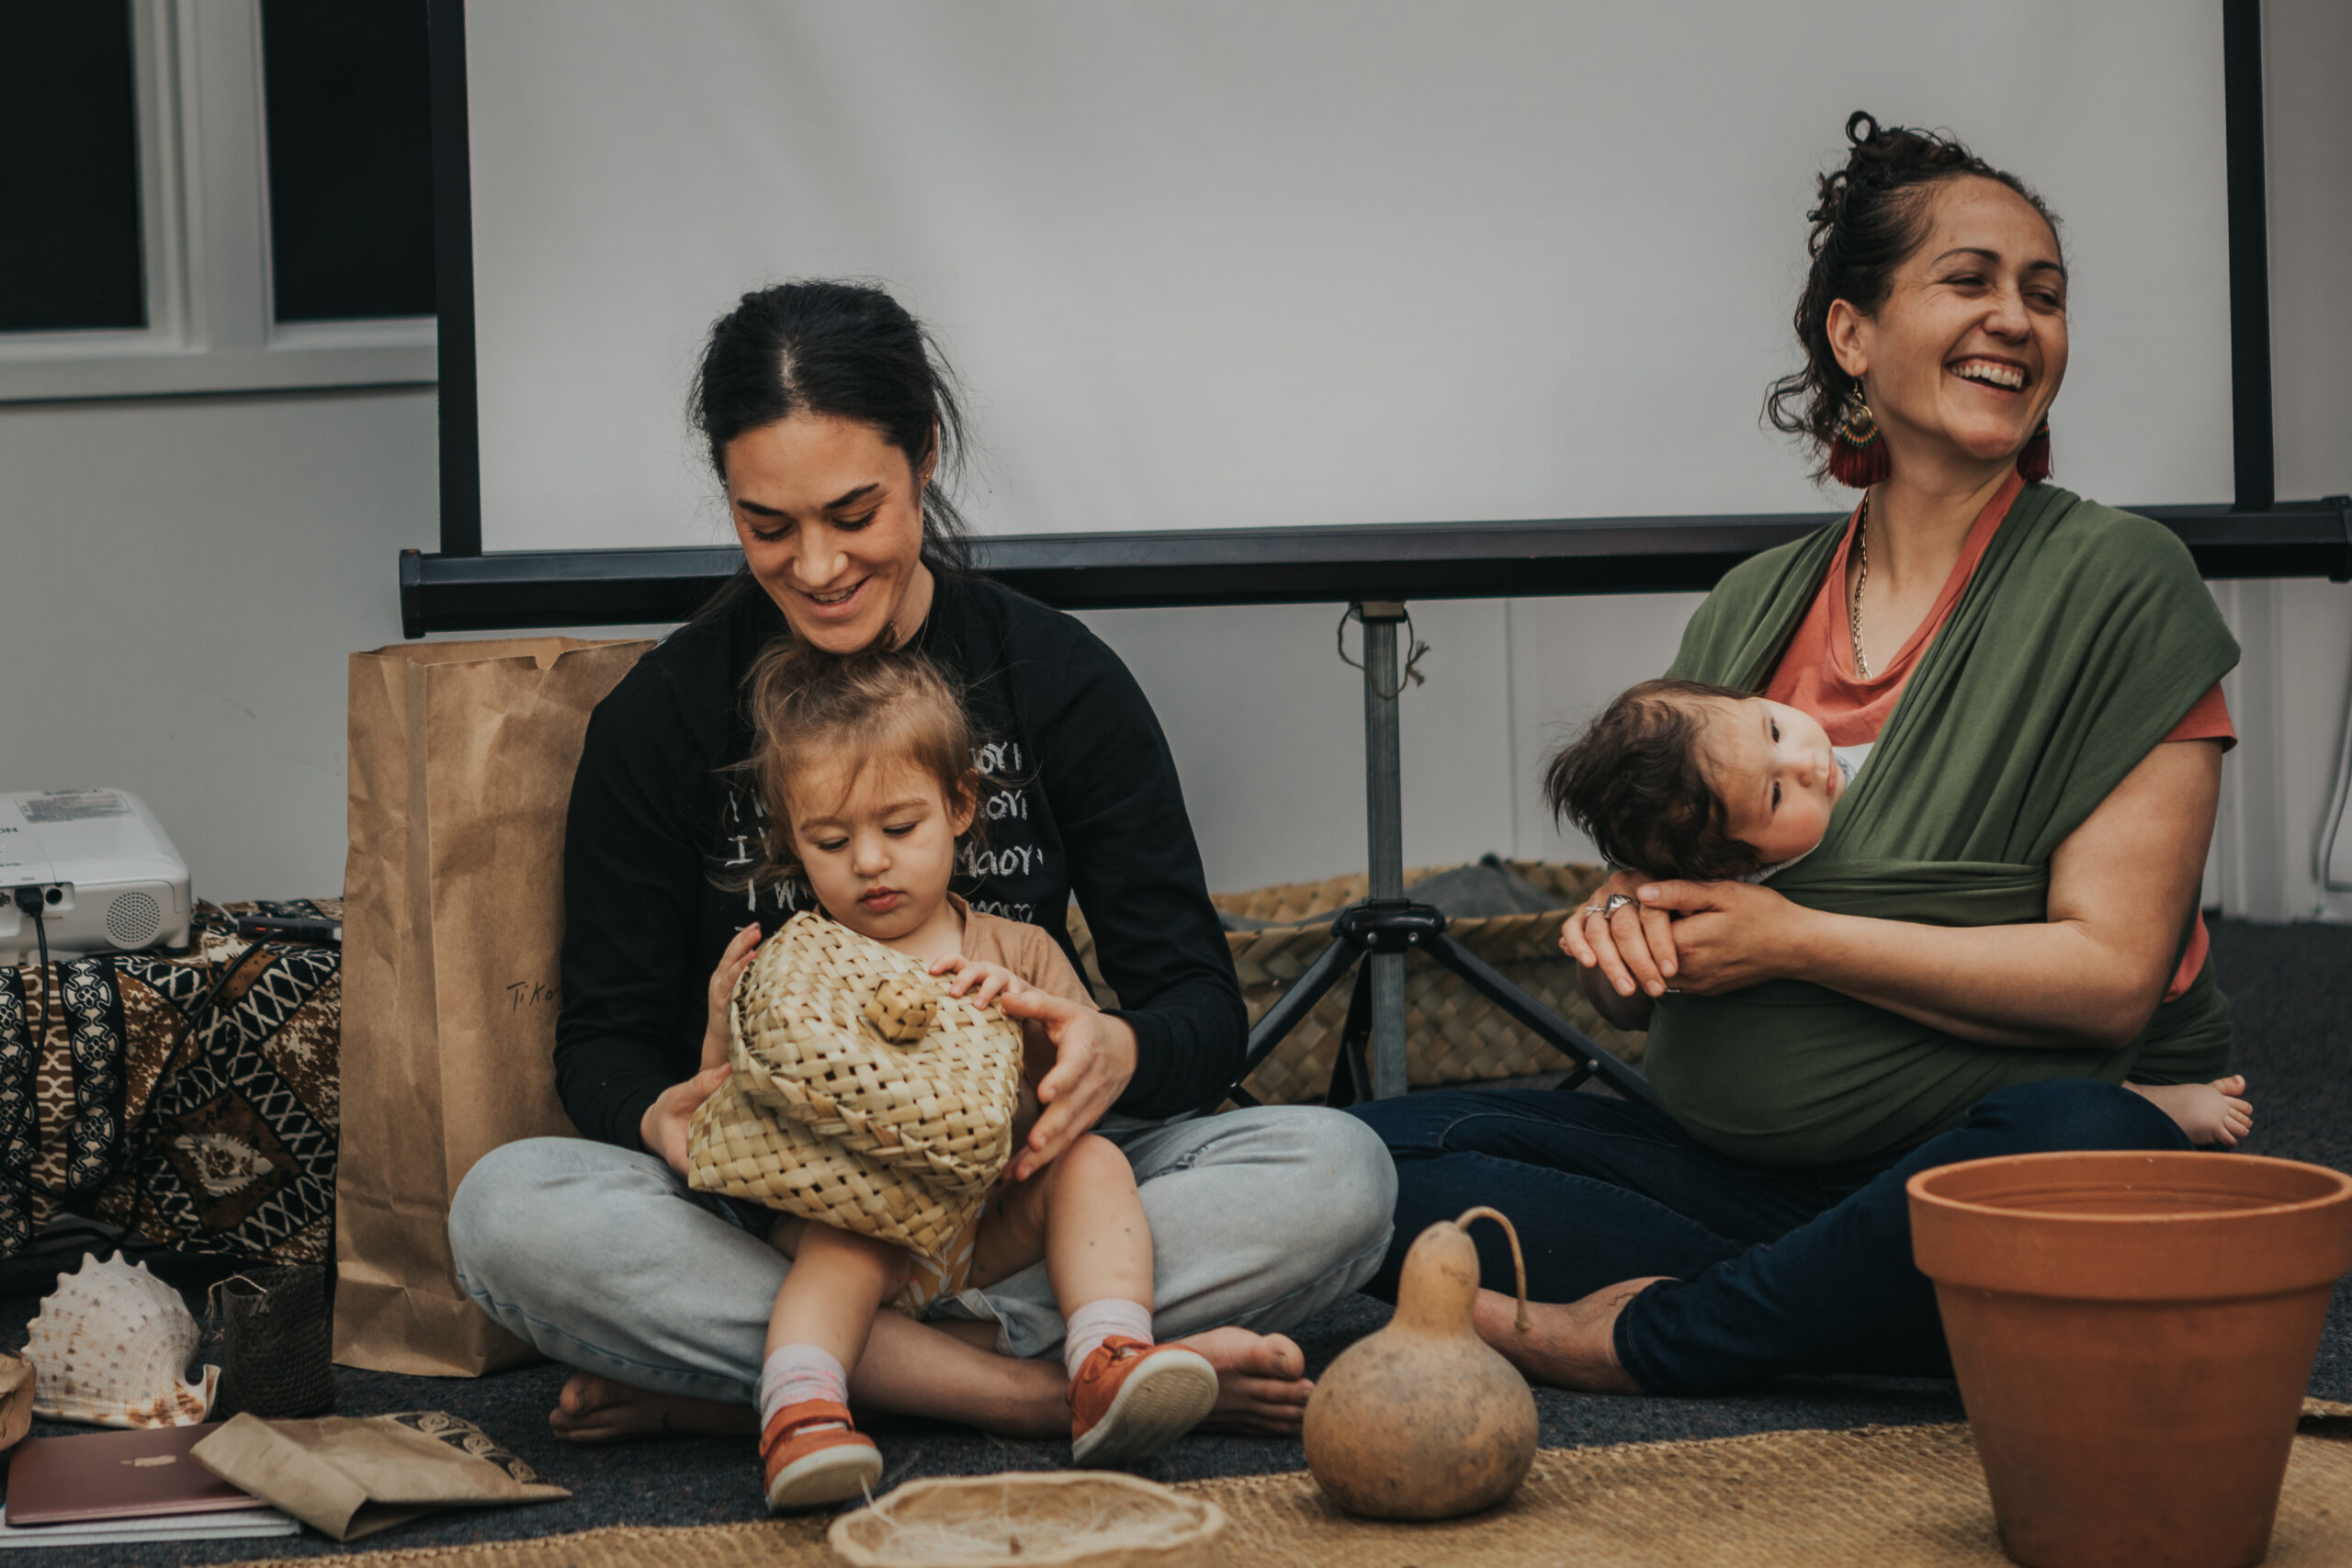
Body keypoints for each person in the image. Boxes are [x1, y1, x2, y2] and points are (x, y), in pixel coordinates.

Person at [1351, 112, 2242, 1395]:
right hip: (1742, 1178)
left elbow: (2109, 984)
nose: (2017, 320)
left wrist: (1793, 941)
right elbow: (1654, 952)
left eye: (2044, 296)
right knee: (1366, 1158)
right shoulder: (1750, 605)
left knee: (2082, 1142)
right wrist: (1632, 939)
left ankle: (1646, 1334)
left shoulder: (2122, 581)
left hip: (2005, 1164)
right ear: (1852, 332)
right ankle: (1828, 1305)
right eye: (1970, 281)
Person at [447, 280, 1395, 1444]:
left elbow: (1198, 1011)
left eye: (855, 513)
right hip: (784, 1211)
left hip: (1023, 1191)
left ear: (926, 457)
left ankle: (784, 1373)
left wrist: (1114, 1049)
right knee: (510, 1214)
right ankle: (1051, 1387)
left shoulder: (1057, 679)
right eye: (768, 526)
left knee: (1338, 1172)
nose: (818, 566)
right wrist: (661, 1120)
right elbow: (600, 1042)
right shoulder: (665, 715)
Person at [715, 645, 1241, 1507]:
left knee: (1100, 1166)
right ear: (791, 843)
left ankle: (1107, 1354)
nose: (871, 862)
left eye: (900, 827)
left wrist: (1035, 1022)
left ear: (960, 807)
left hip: (993, 1225)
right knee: (843, 1243)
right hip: (863, 1228)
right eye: (832, 841)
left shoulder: (1018, 948)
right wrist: (721, 1020)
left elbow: (1076, 1104)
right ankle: (801, 1408)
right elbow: (728, 1120)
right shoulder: (798, 961)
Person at [1542, 677, 2252, 1147]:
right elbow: (1640, 971)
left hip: (2002, 992)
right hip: (1871, 1063)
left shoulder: (1880, 759)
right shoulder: (1722, 872)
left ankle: (2142, 1103)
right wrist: (1625, 909)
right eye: (1777, 798)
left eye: (1775, 729)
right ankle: (2124, 1103)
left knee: (2012, 1063)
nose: (1806, 763)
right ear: (1736, 867)